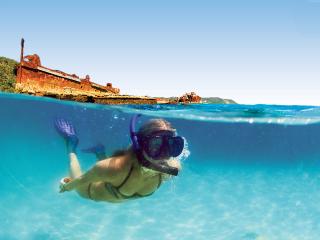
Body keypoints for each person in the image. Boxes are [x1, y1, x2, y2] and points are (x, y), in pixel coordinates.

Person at [55, 114, 186, 203]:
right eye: (156, 145)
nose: (164, 154)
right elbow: (82, 180)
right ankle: (71, 144)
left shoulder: (170, 168)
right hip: (88, 190)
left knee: (110, 175)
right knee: (80, 189)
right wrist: (66, 187)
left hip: (113, 184)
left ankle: (99, 151)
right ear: (140, 145)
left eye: (170, 145)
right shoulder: (113, 168)